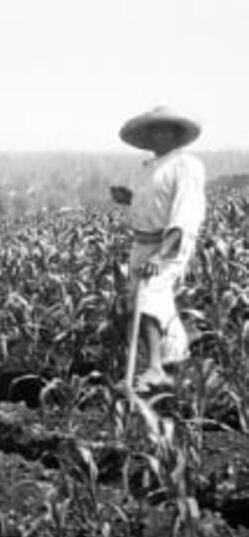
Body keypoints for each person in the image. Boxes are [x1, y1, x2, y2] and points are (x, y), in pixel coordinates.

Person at [111, 106, 207, 392]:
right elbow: (154, 205)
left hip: (168, 243)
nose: (156, 135)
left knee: (149, 296)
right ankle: (175, 366)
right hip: (143, 241)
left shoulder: (186, 165)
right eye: (152, 129)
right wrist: (128, 199)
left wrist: (162, 253)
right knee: (150, 302)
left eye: (162, 129)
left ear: (176, 135)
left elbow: (184, 214)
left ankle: (153, 368)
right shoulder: (148, 167)